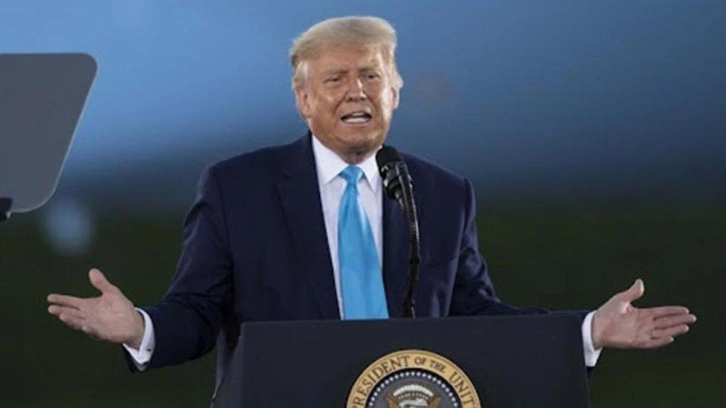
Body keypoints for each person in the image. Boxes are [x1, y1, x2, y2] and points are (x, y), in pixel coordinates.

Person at [47, 16, 695, 386]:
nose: (356, 91)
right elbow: (197, 311)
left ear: (395, 94)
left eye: (372, 77)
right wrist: (141, 328)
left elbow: (477, 318)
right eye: (335, 79)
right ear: (304, 100)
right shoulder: (237, 188)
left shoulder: (442, 194)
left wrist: (587, 332)